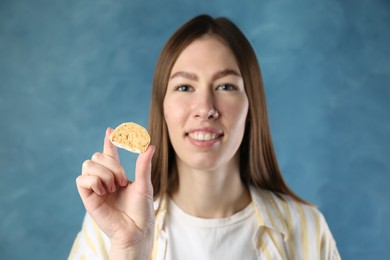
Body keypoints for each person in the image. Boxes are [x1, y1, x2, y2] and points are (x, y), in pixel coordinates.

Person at [69, 14, 340, 260]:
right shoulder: (108, 227)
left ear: (251, 104)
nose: (205, 108)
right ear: (162, 107)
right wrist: (128, 249)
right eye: (184, 86)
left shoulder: (307, 228)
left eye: (225, 86)